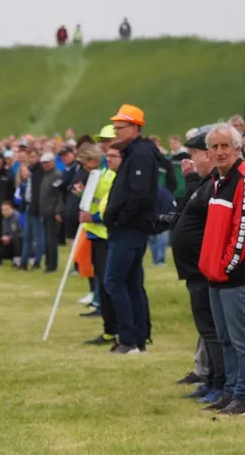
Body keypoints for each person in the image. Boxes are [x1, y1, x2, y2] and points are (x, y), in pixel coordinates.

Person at [170, 129, 227, 407]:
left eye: (193, 155)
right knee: (208, 330)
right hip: (195, 270)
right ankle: (212, 381)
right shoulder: (206, 183)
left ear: (208, 155)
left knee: (214, 331)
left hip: (204, 270)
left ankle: (220, 384)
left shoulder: (215, 184)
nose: (191, 161)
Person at [102, 104, 159, 355]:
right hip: (128, 228)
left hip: (129, 229)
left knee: (114, 281)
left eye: (120, 128)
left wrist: (121, 219)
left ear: (134, 128)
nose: (116, 132)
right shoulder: (134, 152)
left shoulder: (140, 155)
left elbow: (140, 195)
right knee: (131, 283)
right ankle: (138, 337)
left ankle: (129, 338)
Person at [198, 123, 245, 414]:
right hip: (215, 274)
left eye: (224, 146)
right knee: (224, 338)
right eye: (214, 147)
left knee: (240, 340)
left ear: (237, 148)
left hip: (234, 275)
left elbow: (242, 230)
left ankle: (242, 393)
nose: (219, 152)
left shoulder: (241, 179)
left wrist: (227, 265)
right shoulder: (218, 180)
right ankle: (229, 391)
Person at [77, 144, 118, 345]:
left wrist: (92, 217)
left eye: (85, 163)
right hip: (94, 234)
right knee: (101, 282)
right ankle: (109, 328)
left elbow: (109, 207)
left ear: (93, 160)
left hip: (105, 235)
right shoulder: (95, 177)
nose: (84, 168)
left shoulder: (107, 177)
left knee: (108, 283)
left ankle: (113, 329)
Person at [38, 152, 64, 273]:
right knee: (47, 239)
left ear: (53, 162)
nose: (44, 165)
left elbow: (60, 195)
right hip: (45, 212)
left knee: (51, 240)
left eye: (47, 163)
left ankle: (51, 265)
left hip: (52, 212)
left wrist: (58, 211)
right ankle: (48, 263)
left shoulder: (57, 175)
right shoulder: (45, 175)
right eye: (43, 163)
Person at [0, 200, 21, 265]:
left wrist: (9, 238)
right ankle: (0, 262)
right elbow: (4, 232)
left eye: (6, 210)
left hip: (19, 242)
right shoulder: (4, 219)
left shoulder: (17, 217)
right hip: (9, 242)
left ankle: (17, 260)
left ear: (12, 209)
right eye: (2, 210)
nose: (4, 212)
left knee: (17, 239)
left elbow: (17, 232)